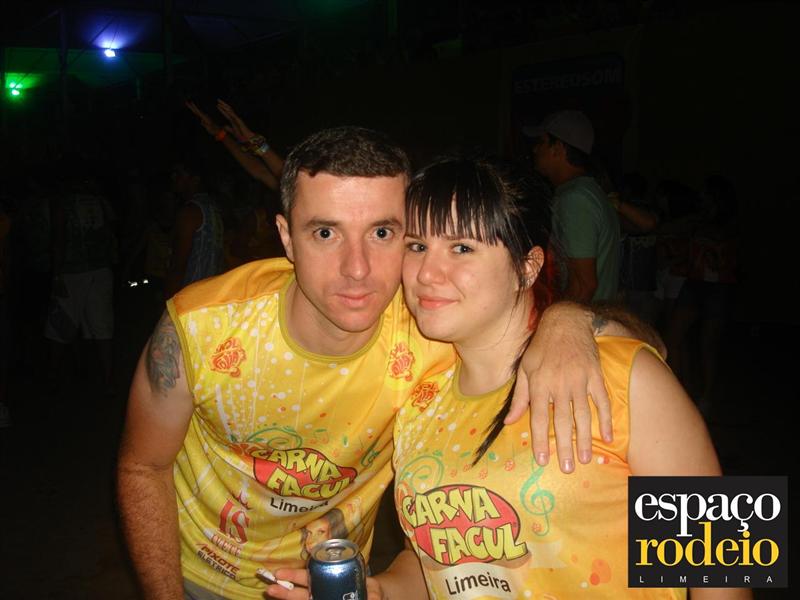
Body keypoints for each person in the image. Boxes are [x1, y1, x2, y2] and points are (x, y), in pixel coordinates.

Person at [118, 127, 627, 600]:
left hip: (335, 581)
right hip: (201, 576)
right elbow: (143, 466)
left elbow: (686, 540)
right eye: (325, 233)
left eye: (383, 233)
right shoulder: (203, 327)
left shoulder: (434, 332)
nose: (357, 269)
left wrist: (568, 319)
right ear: (287, 237)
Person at [279, 155, 742, 600]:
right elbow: (429, 562)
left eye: (462, 247)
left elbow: (726, 563)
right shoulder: (418, 401)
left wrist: (572, 316)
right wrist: (383, 590)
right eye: (417, 246)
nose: (426, 273)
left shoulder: (619, 374)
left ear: (528, 266)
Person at [526, 110, 621, 302]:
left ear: (558, 148)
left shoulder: (575, 199)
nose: (535, 150)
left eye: (541, 142)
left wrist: (553, 319)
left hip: (583, 317)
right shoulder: (589, 192)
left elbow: (583, 286)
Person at [164, 155, 226, 299]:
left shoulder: (190, 212)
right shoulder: (215, 208)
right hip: (212, 294)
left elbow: (178, 265)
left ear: (195, 179)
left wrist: (168, 301)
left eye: (179, 173)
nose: (174, 178)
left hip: (190, 296)